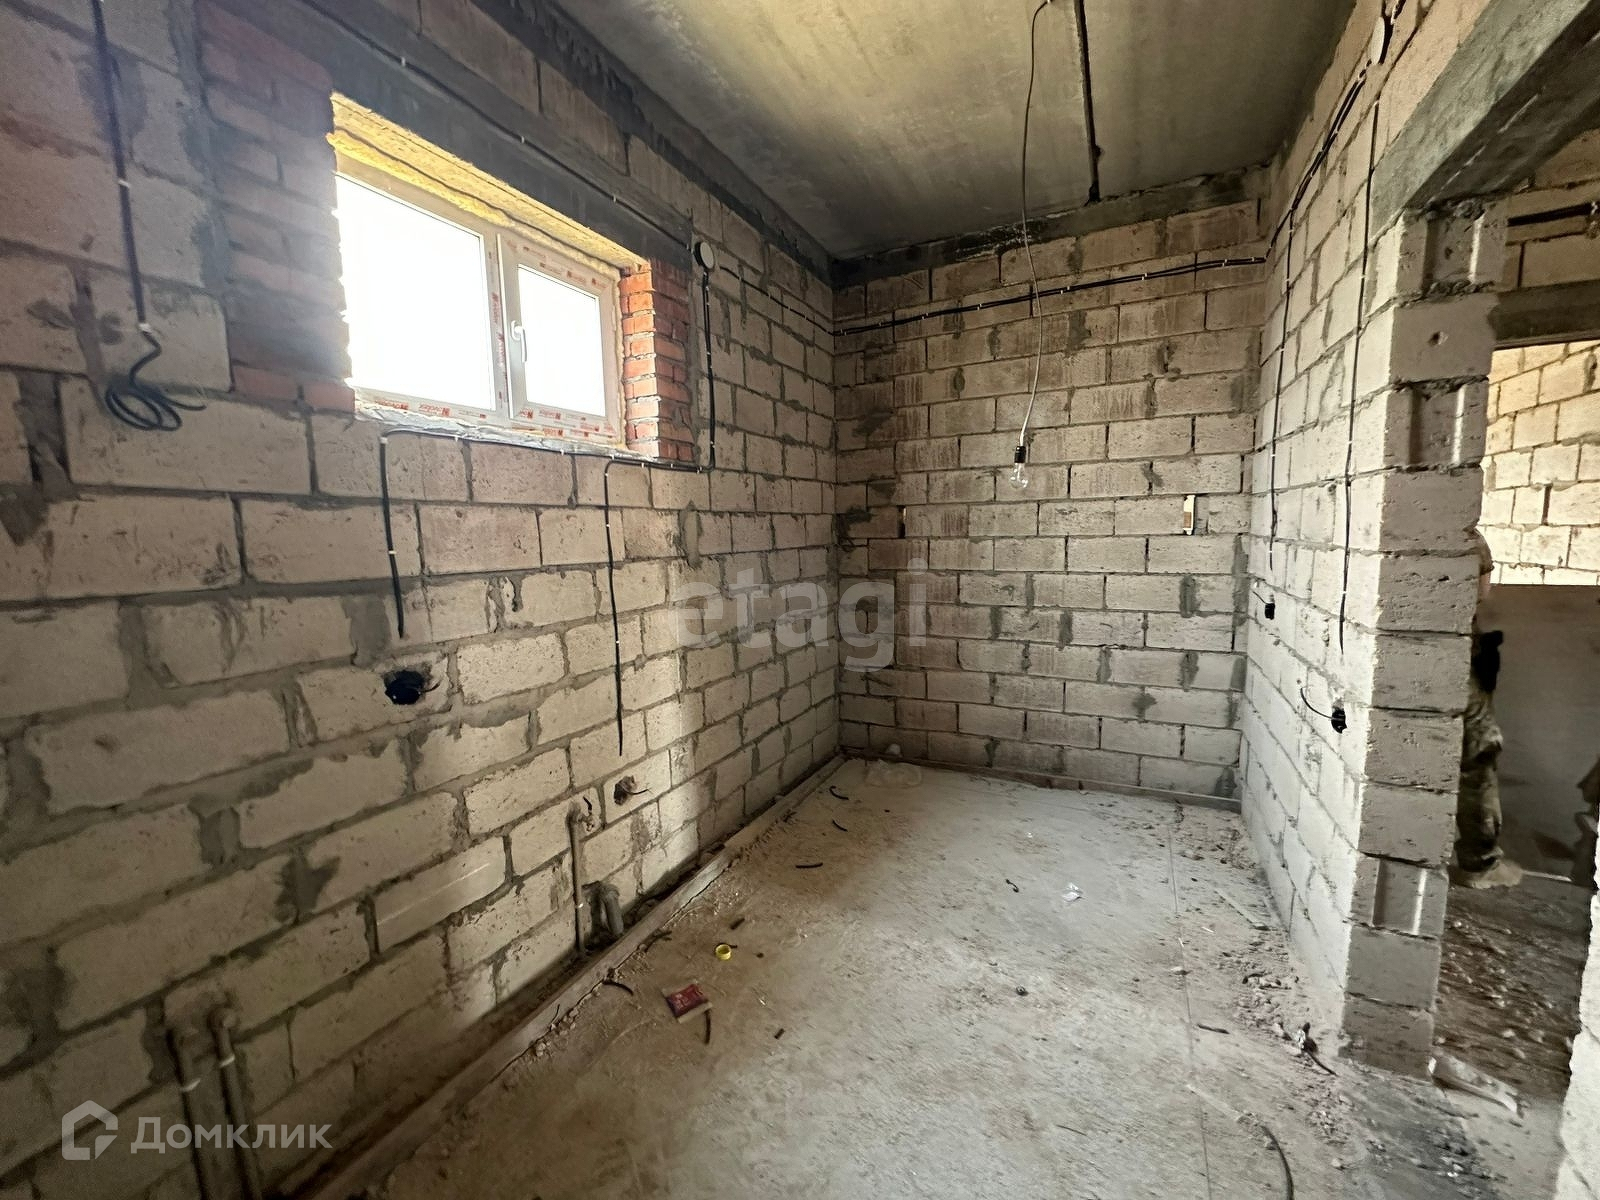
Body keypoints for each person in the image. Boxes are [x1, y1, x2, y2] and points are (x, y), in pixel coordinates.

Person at [1453, 532, 1522, 888]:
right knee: (1479, 757)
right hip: (1460, 657)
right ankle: (1479, 863)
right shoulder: (1469, 537)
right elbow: (1481, 591)